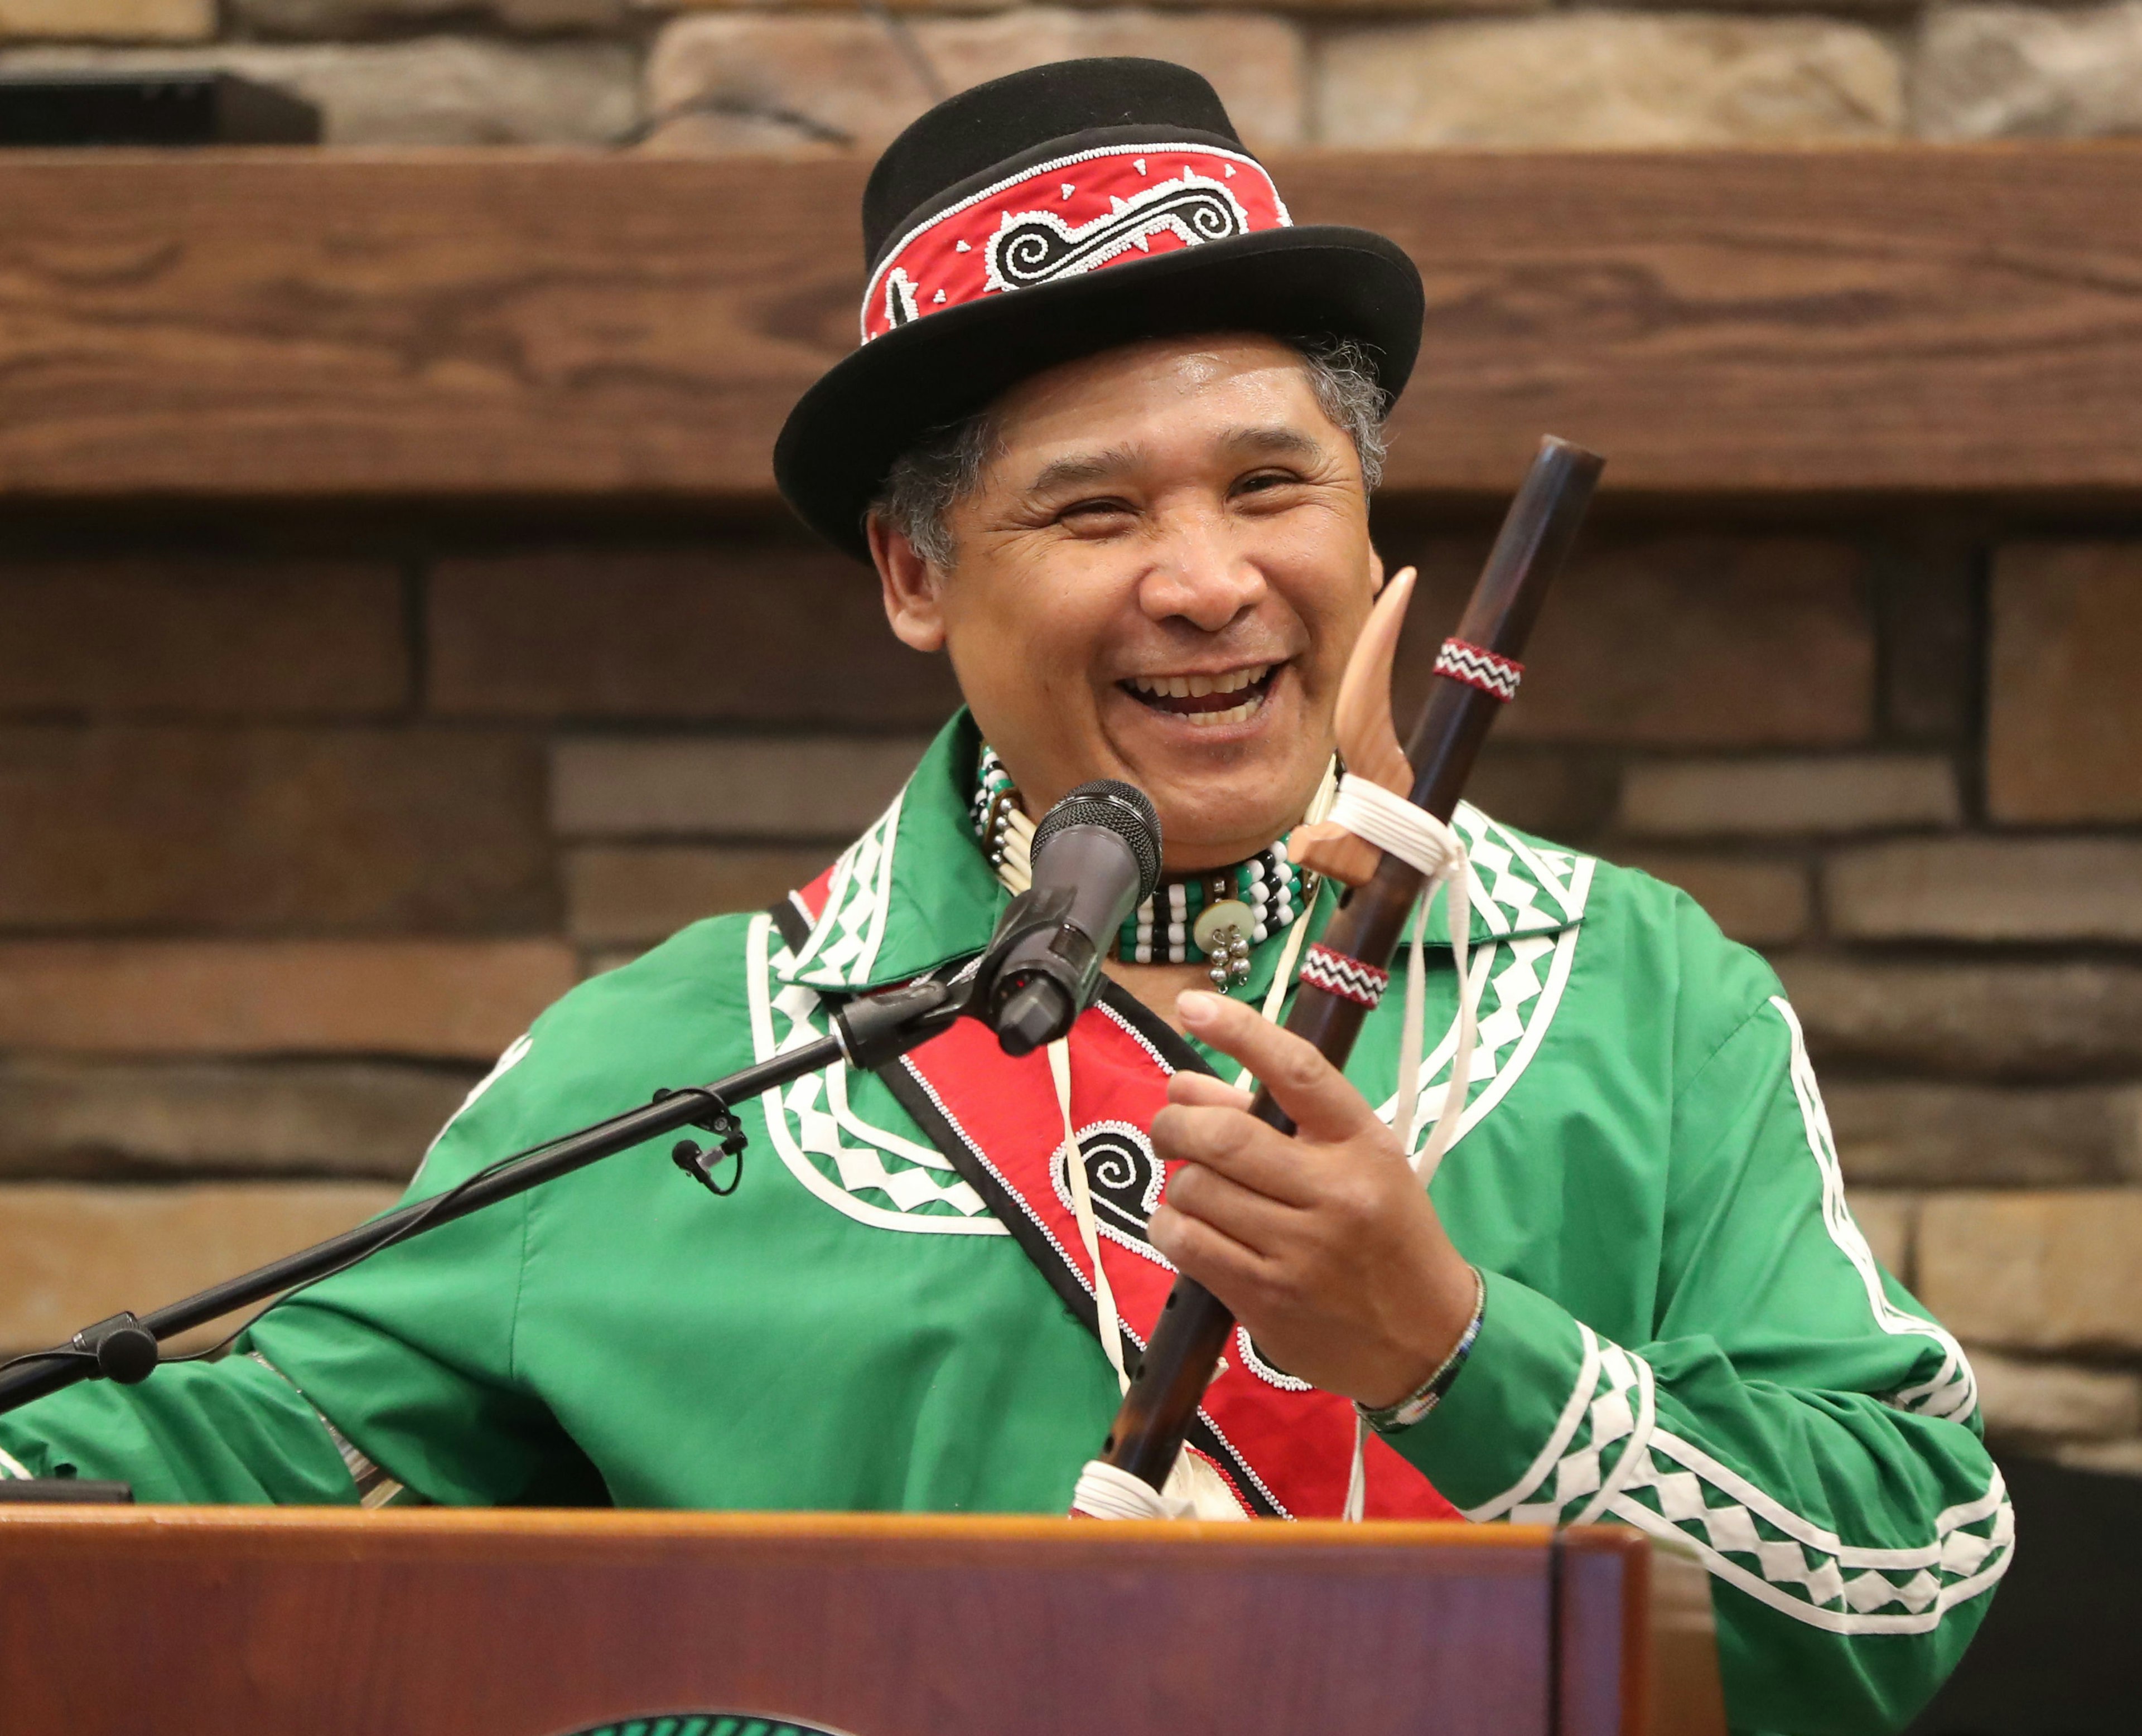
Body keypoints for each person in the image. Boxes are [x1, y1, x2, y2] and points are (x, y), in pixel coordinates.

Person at [0, 59, 2004, 1734]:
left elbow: (1909, 1584)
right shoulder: (678, 1062)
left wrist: (1443, 1343)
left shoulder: (1643, 999)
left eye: (1272, 484)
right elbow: (248, 1477)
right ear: (911, 576)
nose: (1207, 579)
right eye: (1094, 507)